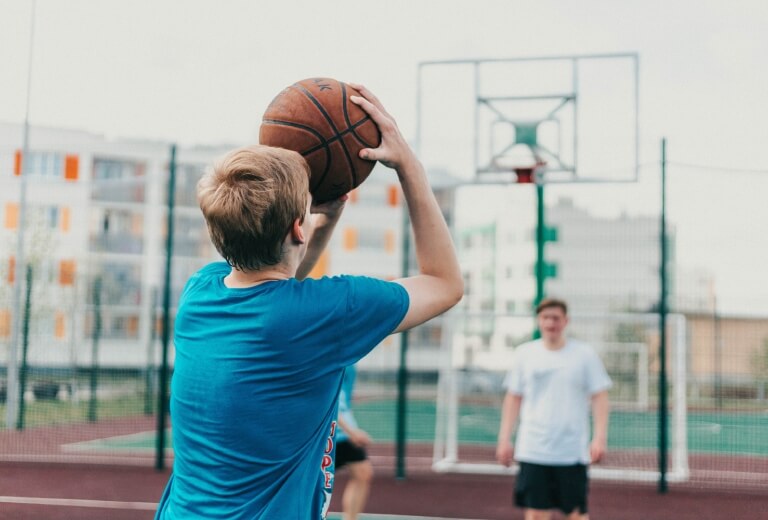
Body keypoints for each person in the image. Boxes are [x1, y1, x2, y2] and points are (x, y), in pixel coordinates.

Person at [154, 85, 463, 519]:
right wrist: (408, 165)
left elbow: (277, 284)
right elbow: (444, 282)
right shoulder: (328, 311)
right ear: (297, 227)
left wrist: (321, 224)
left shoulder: (201, 293)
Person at [496, 298, 611, 520]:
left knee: (576, 515)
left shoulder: (584, 354)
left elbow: (600, 397)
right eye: (546, 318)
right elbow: (513, 398)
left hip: (571, 451)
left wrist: (599, 437)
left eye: (556, 318)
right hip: (533, 449)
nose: (551, 323)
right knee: (537, 515)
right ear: (539, 321)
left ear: (566, 321)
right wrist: (504, 439)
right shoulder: (525, 354)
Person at [334, 364, 373, 520]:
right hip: (329, 434)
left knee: (362, 472)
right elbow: (327, 403)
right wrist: (351, 432)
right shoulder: (328, 359)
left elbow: (343, 401)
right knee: (311, 483)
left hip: (344, 432)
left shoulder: (350, 366)